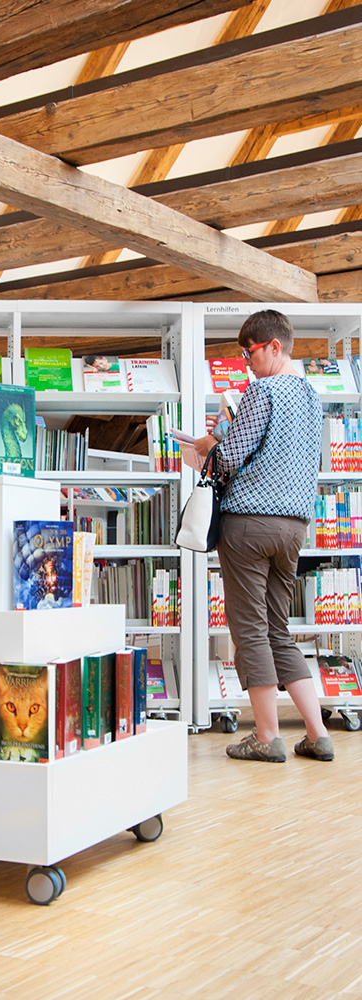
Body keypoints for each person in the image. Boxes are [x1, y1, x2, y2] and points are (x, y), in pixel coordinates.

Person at [193, 309, 334, 763]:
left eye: (250, 352)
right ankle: (317, 733)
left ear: (275, 346)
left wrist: (207, 444)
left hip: (249, 524)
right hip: (293, 527)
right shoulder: (311, 397)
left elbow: (229, 458)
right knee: (278, 629)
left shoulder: (263, 390)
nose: (247, 363)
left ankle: (267, 736)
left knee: (250, 630)